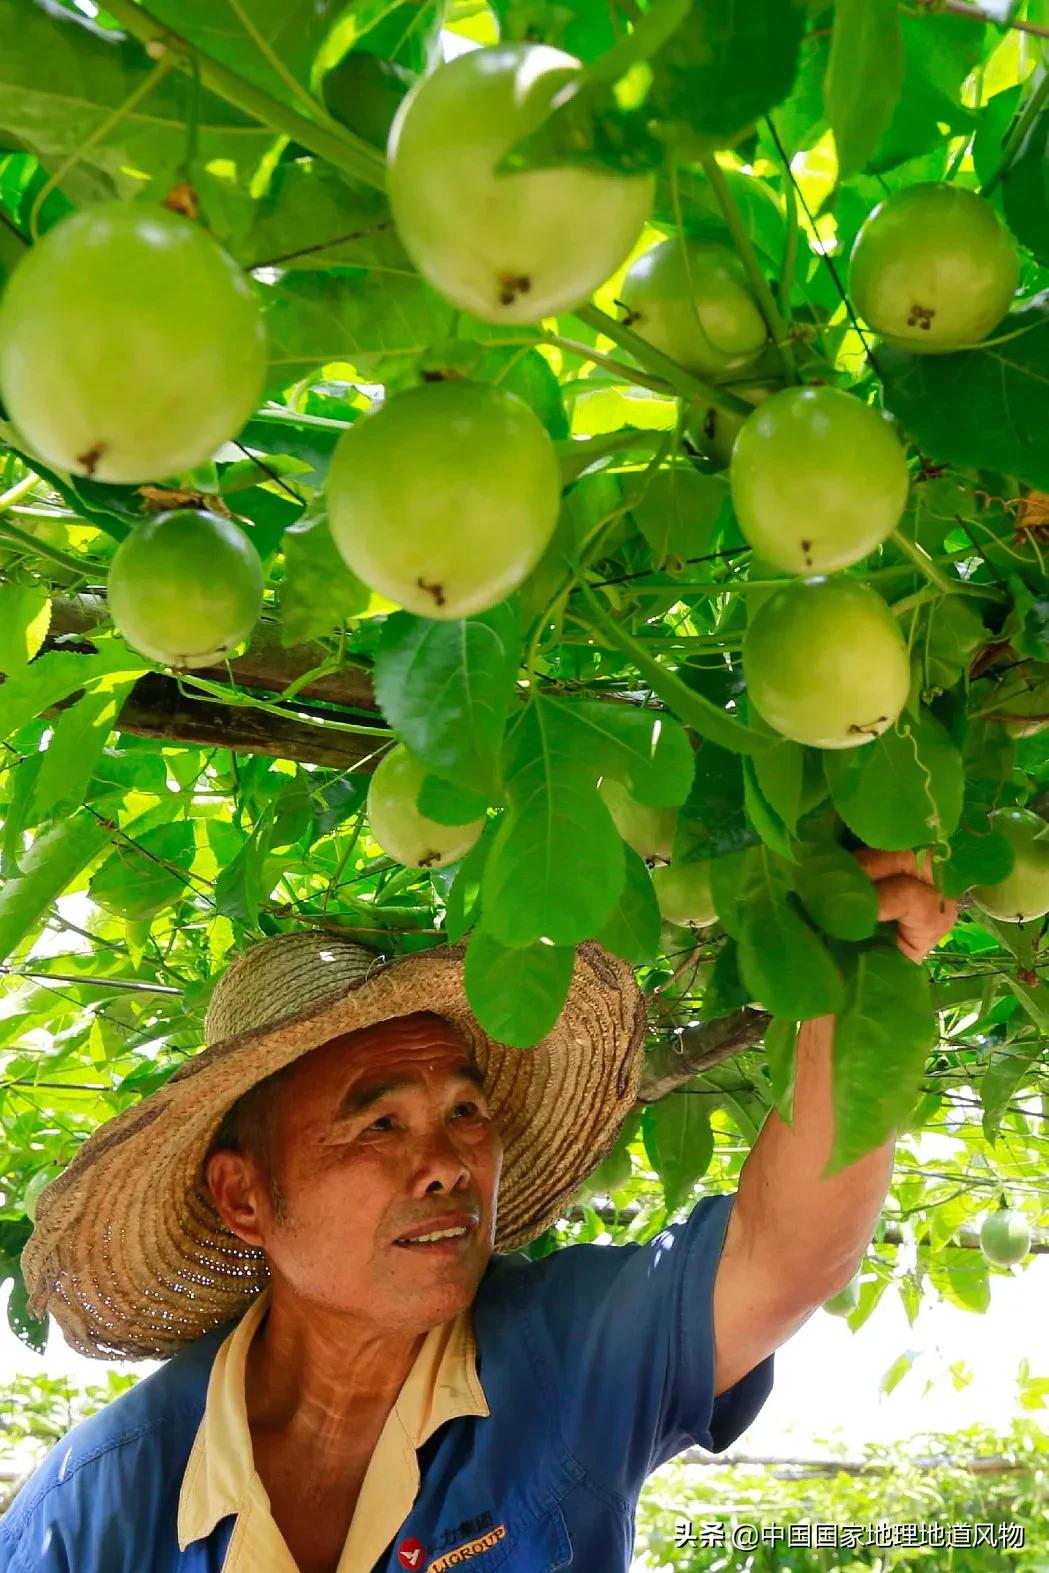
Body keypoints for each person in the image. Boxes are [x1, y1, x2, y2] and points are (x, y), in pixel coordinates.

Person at [0, 849, 954, 1573]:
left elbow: (782, 1255)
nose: (446, 1165)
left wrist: (850, 981)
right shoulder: (99, 1506)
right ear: (244, 1194)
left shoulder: (567, 1349)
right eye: (377, 1124)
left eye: (464, 1111)